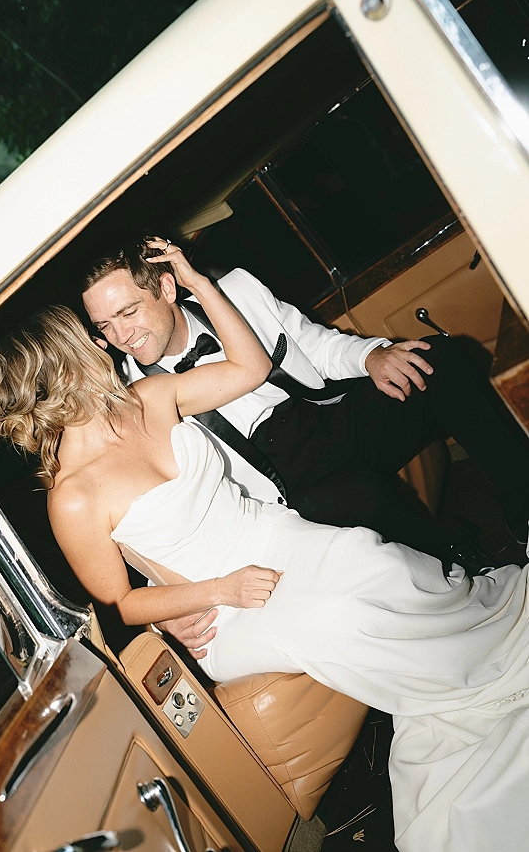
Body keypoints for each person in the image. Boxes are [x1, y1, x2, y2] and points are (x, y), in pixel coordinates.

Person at [0, 242, 529, 852]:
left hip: (272, 524)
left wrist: (198, 283)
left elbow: (253, 367)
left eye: (115, 322)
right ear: (62, 369)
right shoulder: (71, 499)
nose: (107, 342)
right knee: (339, 615)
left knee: (377, 563)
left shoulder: (148, 399)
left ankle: (494, 624)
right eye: (93, 336)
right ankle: (469, 694)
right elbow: (119, 604)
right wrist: (219, 590)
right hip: (228, 603)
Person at [81, 237, 529, 655]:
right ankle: (457, 563)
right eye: (105, 325)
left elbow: (314, 344)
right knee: (358, 498)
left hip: (325, 419)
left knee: (437, 361)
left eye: (129, 312)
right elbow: (139, 519)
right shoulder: (130, 400)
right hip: (277, 488)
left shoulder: (236, 289)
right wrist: (166, 616)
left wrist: (371, 356)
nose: (122, 336)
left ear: (166, 286)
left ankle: (523, 513)